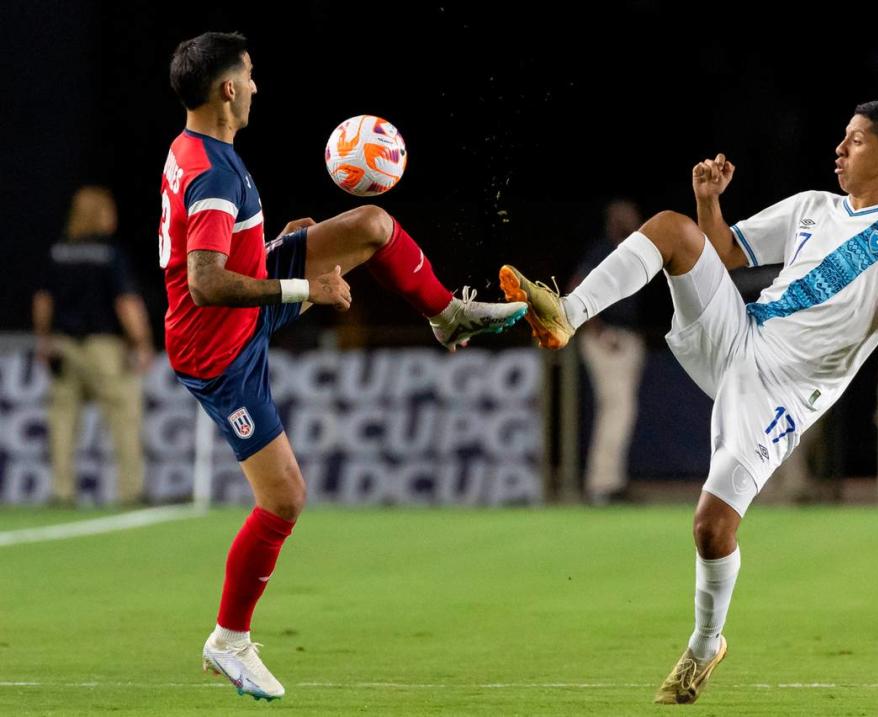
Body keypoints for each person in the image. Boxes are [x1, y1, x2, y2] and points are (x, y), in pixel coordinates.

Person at [500, 101, 878, 704]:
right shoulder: (812, 206)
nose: (840, 149)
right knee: (673, 228)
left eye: (855, 140)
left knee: (711, 529)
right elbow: (727, 252)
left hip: (784, 390)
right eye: (842, 138)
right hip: (741, 333)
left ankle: (705, 645)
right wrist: (708, 203)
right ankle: (567, 313)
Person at [160, 32, 526, 701]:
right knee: (284, 497)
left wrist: (273, 246)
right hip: (219, 347)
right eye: (250, 75)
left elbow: (217, 251)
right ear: (227, 89)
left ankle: (445, 313)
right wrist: (307, 287)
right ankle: (228, 642)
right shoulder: (213, 171)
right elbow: (206, 282)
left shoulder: (202, 152)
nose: (256, 86)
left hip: (244, 296)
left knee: (371, 227)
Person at [32, 186, 153, 506]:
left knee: (62, 419)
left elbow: (43, 300)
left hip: (63, 344)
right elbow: (125, 301)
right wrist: (141, 342)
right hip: (104, 347)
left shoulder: (59, 251)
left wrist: (44, 340)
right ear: (101, 214)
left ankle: (62, 490)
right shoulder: (110, 253)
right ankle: (130, 491)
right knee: (124, 415)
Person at [574, 199, 647, 504]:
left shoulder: (634, 252)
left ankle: (611, 482)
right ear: (613, 221)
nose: (632, 220)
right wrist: (600, 331)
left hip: (626, 337)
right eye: (625, 217)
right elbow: (577, 288)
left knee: (621, 411)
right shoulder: (603, 250)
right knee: (616, 409)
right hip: (607, 337)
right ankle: (601, 485)